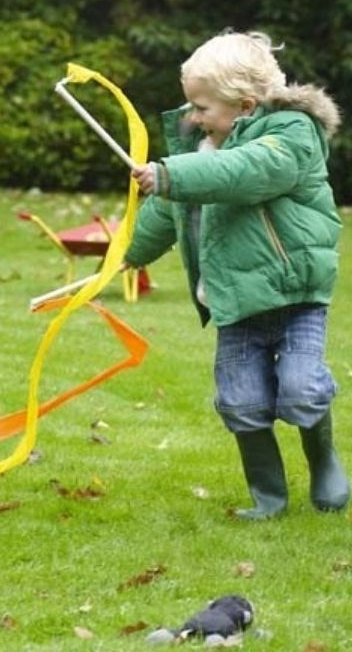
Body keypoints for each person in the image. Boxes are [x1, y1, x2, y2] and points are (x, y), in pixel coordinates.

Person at [126, 29, 348, 519]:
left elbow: (245, 173)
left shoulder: (289, 136)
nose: (191, 117)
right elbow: (172, 212)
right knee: (241, 403)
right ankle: (268, 499)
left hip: (294, 297)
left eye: (202, 107)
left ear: (245, 106)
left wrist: (172, 174)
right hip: (233, 302)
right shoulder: (202, 152)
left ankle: (324, 459)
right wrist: (131, 253)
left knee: (302, 389)